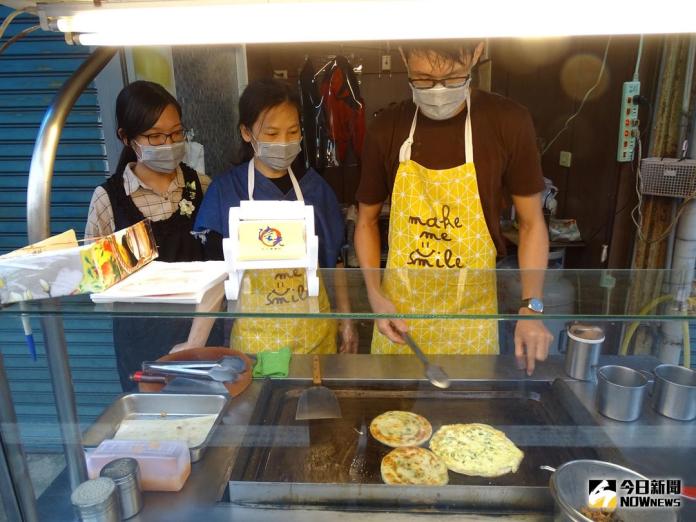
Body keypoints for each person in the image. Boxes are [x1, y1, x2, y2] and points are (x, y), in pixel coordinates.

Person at [354, 42, 553, 374]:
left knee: (468, 421)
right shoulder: (387, 127)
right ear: (403, 56)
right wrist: (375, 295)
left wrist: (531, 307)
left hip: (471, 323)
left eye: (453, 78)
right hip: (399, 320)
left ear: (477, 52)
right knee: (393, 420)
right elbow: (365, 222)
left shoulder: (508, 122)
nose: (438, 90)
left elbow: (532, 224)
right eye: (423, 79)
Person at [192, 78, 357, 354]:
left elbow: (335, 261)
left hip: (314, 337)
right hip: (255, 341)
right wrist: (195, 341)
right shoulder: (226, 190)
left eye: (293, 132)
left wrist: (347, 320)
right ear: (247, 132)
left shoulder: (315, 188)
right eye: (271, 134)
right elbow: (216, 275)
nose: (284, 142)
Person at [85, 80, 222, 390]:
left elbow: (221, 270)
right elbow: (97, 280)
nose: (169, 143)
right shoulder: (108, 199)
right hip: (141, 343)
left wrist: (195, 338)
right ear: (127, 138)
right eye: (156, 136)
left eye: (175, 133)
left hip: (203, 336)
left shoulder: (200, 185)